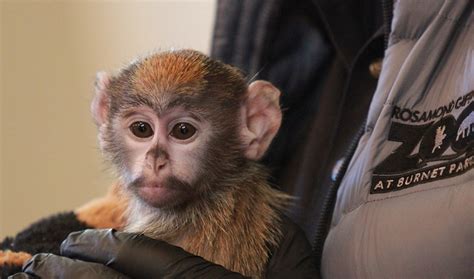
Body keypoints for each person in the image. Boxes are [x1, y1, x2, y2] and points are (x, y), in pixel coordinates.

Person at [12, 0, 474, 278]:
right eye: (139, 129)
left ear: (257, 124)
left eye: (183, 131)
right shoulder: (271, 17)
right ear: (104, 115)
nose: (153, 156)